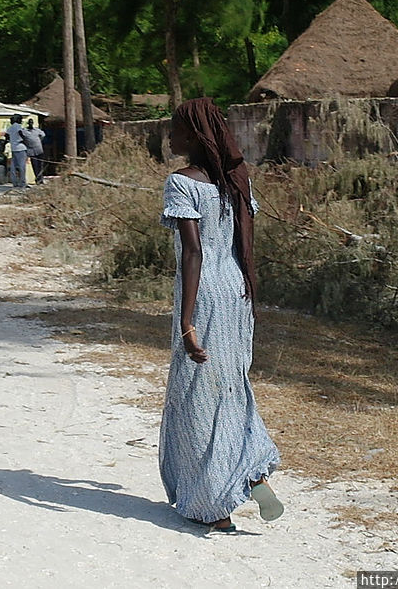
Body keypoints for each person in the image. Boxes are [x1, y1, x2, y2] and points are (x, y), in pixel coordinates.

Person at [159, 97, 283, 533]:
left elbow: (193, 252)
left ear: (193, 136)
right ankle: (251, 469)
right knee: (231, 387)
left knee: (197, 399)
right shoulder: (236, 182)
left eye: (175, 129)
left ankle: (215, 504)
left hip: (205, 296)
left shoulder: (182, 183)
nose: (169, 136)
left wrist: (187, 323)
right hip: (237, 293)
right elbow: (240, 245)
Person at [5, 114, 28, 188]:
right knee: (22, 167)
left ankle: (15, 183)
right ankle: (22, 183)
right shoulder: (18, 126)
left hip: (13, 148)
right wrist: (25, 140)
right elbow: (21, 133)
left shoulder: (10, 128)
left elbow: (7, 136)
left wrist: (12, 140)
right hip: (21, 148)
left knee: (13, 167)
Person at [21, 118, 46, 184]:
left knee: (40, 165)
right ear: (28, 123)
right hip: (31, 152)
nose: (30, 124)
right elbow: (20, 136)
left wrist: (39, 141)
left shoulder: (37, 130)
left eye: (32, 123)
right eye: (29, 123)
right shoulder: (24, 131)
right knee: (35, 166)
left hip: (39, 150)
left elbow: (43, 135)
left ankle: (41, 179)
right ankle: (37, 179)